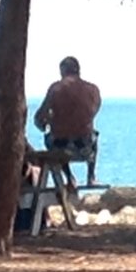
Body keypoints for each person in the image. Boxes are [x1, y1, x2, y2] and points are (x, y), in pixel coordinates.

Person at [33, 56, 101, 189]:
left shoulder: (56, 89)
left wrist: (47, 123)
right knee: (94, 136)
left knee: (50, 138)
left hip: (61, 147)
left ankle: (69, 178)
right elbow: (93, 111)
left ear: (63, 71)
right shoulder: (93, 90)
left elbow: (39, 117)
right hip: (85, 146)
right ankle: (91, 176)